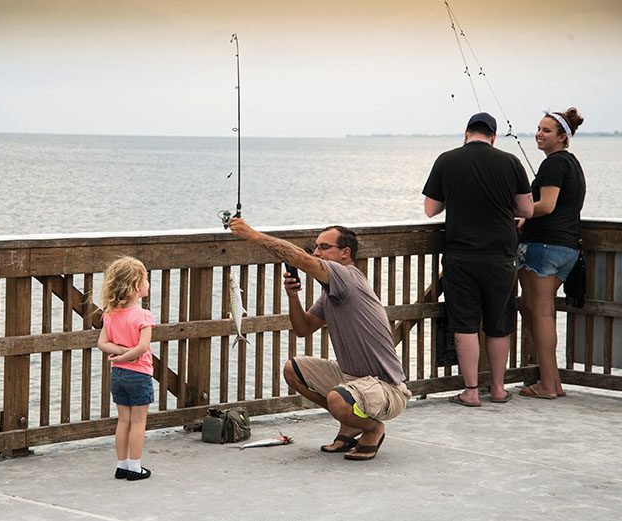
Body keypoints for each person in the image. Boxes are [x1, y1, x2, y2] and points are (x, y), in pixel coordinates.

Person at [228, 217, 411, 461]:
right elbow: (303, 329)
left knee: (338, 399)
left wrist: (253, 235)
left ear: (345, 253)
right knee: (293, 369)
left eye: (324, 247)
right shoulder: (331, 294)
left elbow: (300, 259)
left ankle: (373, 428)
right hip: (352, 380)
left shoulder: (347, 276)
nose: (317, 253)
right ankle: (351, 423)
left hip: (386, 388)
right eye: (315, 247)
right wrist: (293, 297)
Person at [422, 112, 533, 406]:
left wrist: (455, 197)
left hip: (461, 254)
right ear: (493, 137)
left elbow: (430, 210)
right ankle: (497, 389)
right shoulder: (511, 162)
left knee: (465, 323)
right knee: (499, 322)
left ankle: (470, 391)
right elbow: (527, 209)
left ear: (466, 133)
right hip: (501, 255)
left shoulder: (446, 160)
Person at [517, 108, 586, 399]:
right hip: (567, 247)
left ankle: (548, 385)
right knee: (533, 308)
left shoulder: (554, 164)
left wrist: (519, 214)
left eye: (547, 130)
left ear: (562, 137)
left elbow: (546, 205)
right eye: (538, 128)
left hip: (544, 247)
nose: (539, 134)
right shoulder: (572, 164)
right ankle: (553, 382)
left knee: (542, 313)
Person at [97, 256, 155, 480]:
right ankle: (135, 466)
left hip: (118, 374)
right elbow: (142, 348)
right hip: (139, 374)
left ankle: (121, 465)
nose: (148, 284)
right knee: (139, 421)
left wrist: (118, 355)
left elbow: (102, 343)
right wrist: (129, 355)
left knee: (123, 420)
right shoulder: (144, 316)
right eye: (146, 280)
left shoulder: (110, 314)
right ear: (136, 286)